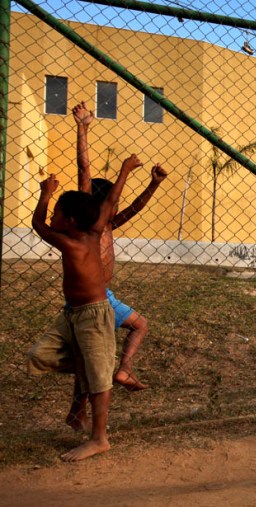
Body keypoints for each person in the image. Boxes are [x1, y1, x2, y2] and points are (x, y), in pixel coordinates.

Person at [28, 155, 141, 461]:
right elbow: (111, 199)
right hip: (72, 315)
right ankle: (88, 372)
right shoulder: (86, 232)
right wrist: (124, 171)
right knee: (39, 356)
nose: (52, 218)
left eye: (57, 214)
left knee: (100, 379)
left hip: (94, 315)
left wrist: (45, 193)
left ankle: (99, 439)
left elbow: (38, 224)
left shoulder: (72, 242)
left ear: (71, 222)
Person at [73, 102, 168, 391]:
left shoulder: (110, 224)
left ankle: (124, 370)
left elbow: (135, 208)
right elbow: (84, 170)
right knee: (88, 361)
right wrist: (82, 129)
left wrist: (154, 185)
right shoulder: (90, 226)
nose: (117, 206)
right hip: (90, 301)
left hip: (106, 296)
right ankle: (81, 408)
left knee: (140, 325)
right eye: (112, 201)